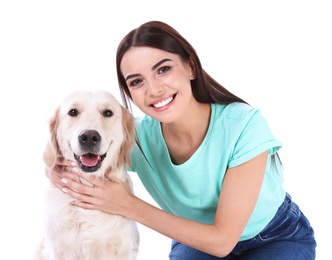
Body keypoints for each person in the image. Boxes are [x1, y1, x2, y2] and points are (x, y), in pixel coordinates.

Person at [47, 21, 316, 259]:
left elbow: (222, 241)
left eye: (163, 70)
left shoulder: (244, 126)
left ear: (189, 66)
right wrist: (54, 169)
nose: (154, 89)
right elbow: (75, 146)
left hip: (275, 235)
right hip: (195, 237)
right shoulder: (133, 137)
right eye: (137, 81)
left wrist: (126, 204)